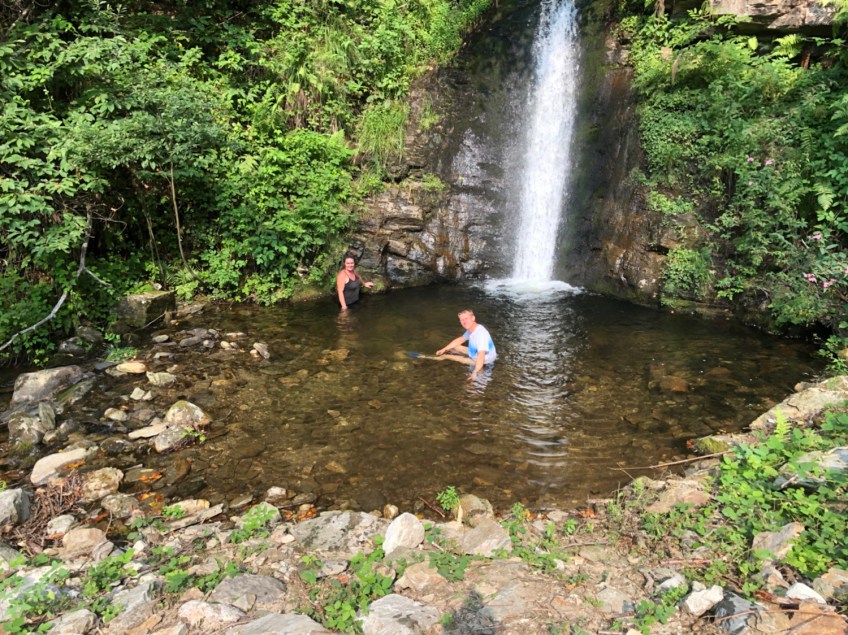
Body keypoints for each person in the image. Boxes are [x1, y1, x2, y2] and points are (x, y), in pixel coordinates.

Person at [436, 309, 497, 382]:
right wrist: (443, 349)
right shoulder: (473, 329)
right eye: (462, 320)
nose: (464, 322)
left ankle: (480, 372)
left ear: (473, 318)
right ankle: (451, 354)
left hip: (484, 360)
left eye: (466, 318)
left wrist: (475, 372)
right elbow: (460, 340)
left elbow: (481, 355)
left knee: (445, 356)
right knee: (454, 347)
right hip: (476, 353)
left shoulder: (480, 334)